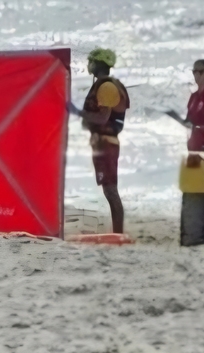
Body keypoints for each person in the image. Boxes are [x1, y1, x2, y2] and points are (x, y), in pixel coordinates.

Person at [69, 48, 130, 234]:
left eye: (91, 62)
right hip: (103, 144)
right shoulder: (106, 85)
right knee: (109, 190)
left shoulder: (106, 87)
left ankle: (118, 234)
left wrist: (77, 112)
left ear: (97, 64)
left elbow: (103, 118)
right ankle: (117, 233)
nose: (89, 66)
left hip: (107, 145)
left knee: (111, 190)